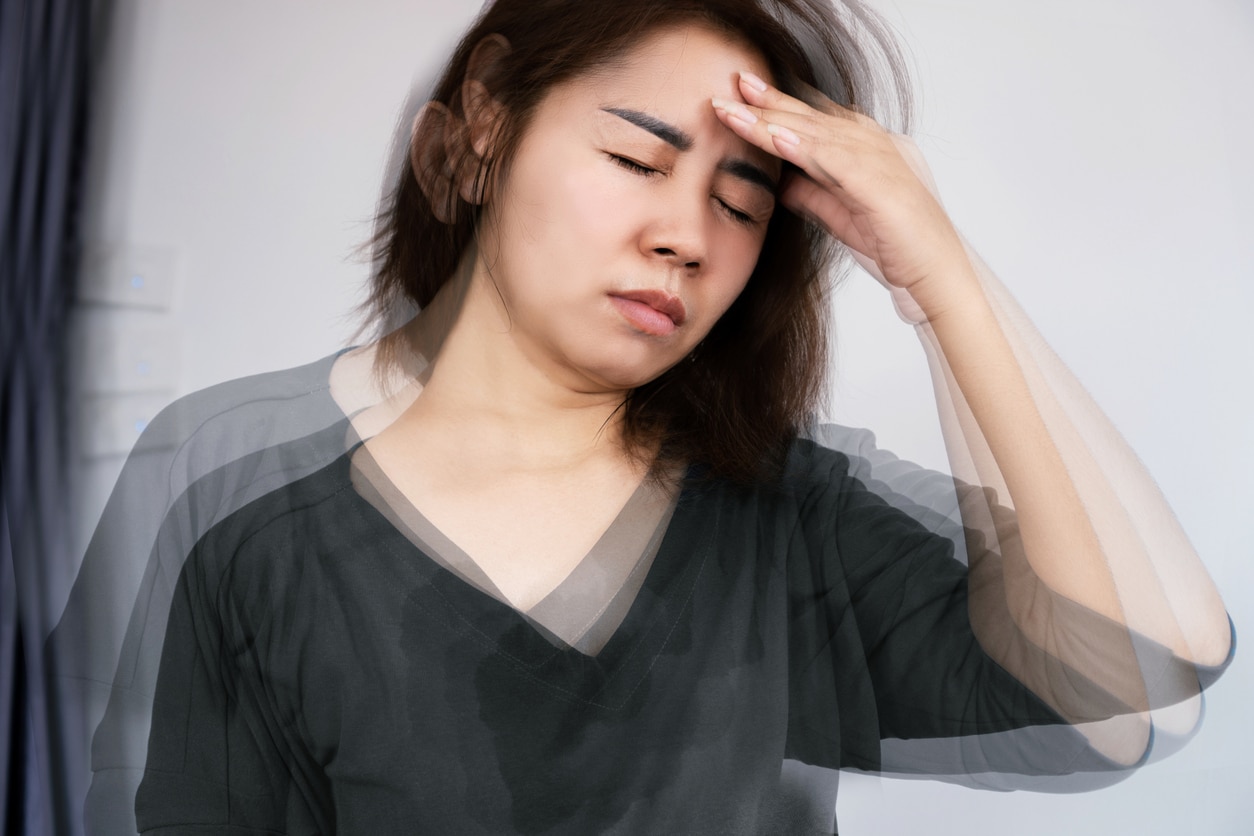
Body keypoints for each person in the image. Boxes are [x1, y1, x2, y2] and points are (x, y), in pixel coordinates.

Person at [52, 0, 1232, 833]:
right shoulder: (227, 476)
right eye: (635, 158)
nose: (687, 237)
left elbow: (1145, 680)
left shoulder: (790, 512)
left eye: (742, 203)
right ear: (483, 125)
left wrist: (942, 278)